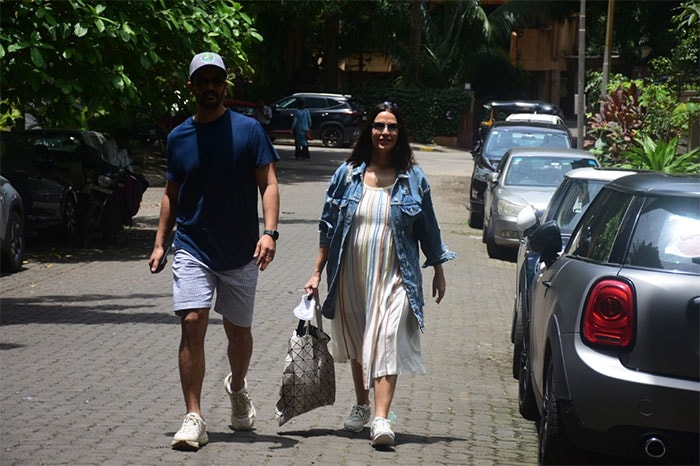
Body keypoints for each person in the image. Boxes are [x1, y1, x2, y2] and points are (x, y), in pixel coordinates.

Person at [148, 52, 280, 451]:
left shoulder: (249, 131)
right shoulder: (178, 137)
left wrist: (269, 232)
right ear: (191, 86)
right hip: (193, 246)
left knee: (238, 333)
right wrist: (160, 241)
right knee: (192, 321)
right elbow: (171, 194)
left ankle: (237, 386)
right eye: (202, 80)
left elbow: (269, 183)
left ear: (225, 85)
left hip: (241, 250)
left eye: (216, 80)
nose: (210, 87)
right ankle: (194, 416)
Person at [303, 102, 455, 447]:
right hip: (351, 272)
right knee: (358, 338)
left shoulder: (414, 179)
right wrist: (316, 273)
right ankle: (361, 403)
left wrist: (438, 269)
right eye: (378, 126)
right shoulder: (347, 174)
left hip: (396, 274)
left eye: (392, 127)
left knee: (386, 338)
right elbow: (328, 229)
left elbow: (429, 228)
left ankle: (382, 418)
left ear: (401, 134)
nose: (385, 132)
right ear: (368, 130)